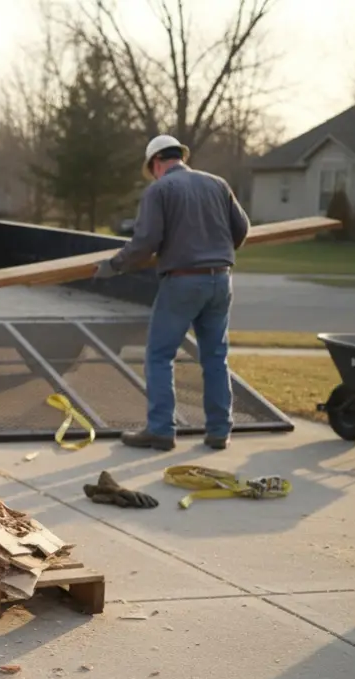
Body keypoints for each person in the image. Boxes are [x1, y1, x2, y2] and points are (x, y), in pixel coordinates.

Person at [94, 134, 249, 452]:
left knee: (160, 356)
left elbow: (146, 241)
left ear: (155, 163)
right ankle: (220, 430)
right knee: (216, 357)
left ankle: (161, 430)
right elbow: (242, 228)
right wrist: (215, 251)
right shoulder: (217, 184)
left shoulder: (160, 190)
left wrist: (115, 265)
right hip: (221, 280)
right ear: (181, 156)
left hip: (182, 282)